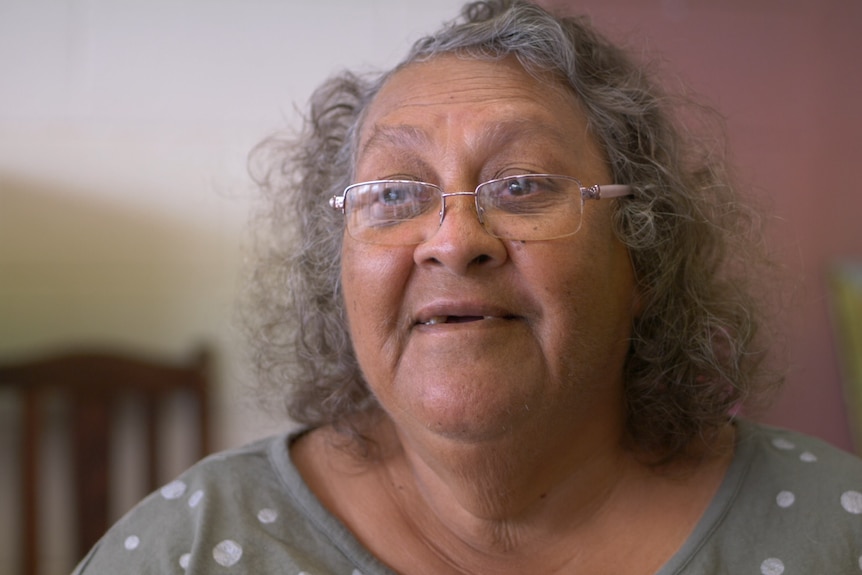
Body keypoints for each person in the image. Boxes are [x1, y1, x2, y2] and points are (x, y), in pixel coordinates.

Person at [74, 1, 862, 573]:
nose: (454, 240)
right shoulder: (194, 546)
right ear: (340, 272)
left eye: (521, 185)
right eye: (395, 193)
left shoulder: (836, 533)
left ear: (643, 259)